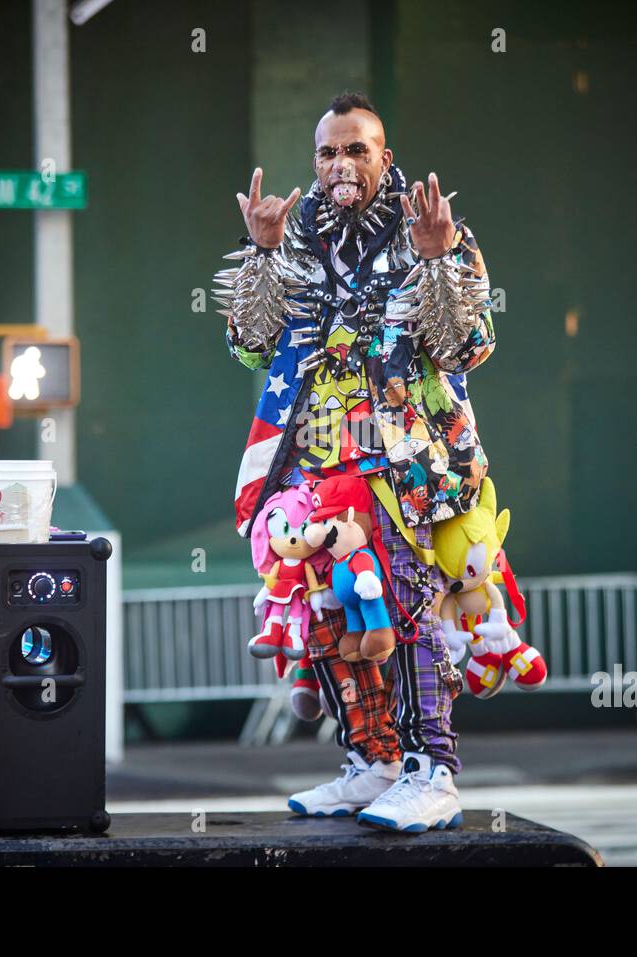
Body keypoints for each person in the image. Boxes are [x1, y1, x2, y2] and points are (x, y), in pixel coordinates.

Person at [213, 91, 497, 832]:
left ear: (385, 158)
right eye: (327, 152)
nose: (340, 165)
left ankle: (433, 770)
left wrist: (437, 262)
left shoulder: (432, 227)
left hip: (405, 463)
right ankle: (372, 761)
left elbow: (472, 346)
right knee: (326, 616)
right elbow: (247, 343)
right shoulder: (296, 231)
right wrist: (265, 252)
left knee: (407, 608)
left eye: (356, 150)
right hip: (317, 463)